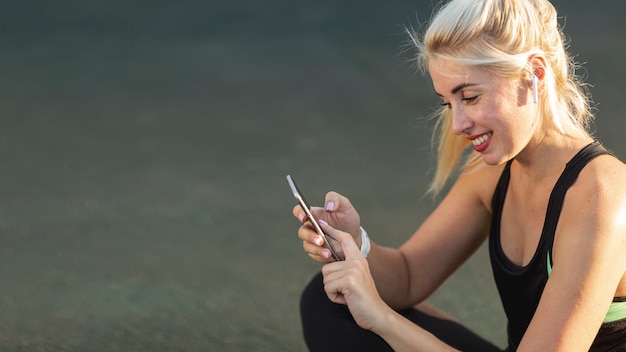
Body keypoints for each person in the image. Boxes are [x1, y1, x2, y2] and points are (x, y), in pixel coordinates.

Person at [291, 0, 626, 351]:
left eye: (470, 96)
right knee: (330, 299)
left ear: (534, 74)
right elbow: (407, 277)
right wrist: (355, 241)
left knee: (368, 314)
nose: (457, 125)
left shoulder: (602, 196)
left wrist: (380, 318)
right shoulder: (492, 171)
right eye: (448, 103)